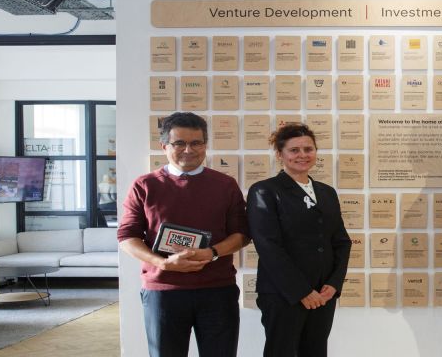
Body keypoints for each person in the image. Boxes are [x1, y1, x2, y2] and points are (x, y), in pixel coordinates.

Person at [118, 112, 249, 357]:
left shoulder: (226, 185)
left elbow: (242, 234)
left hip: (217, 290)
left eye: (196, 143)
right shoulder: (144, 185)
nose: (188, 150)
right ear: (164, 146)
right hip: (163, 292)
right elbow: (127, 237)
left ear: (205, 145)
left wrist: (210, 253)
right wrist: (163, 263)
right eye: (179, 143)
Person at [247, 123, 351, 357]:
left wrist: (333, 285)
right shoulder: (264, 191)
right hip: (284, 294)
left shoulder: (327, 192)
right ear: (280, 154)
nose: (302, 155)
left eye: (308, 149)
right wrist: (302, 291)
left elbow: (341, 242)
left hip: (323, 294)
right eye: (294, 150)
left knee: (315, 352)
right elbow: (268, 246)